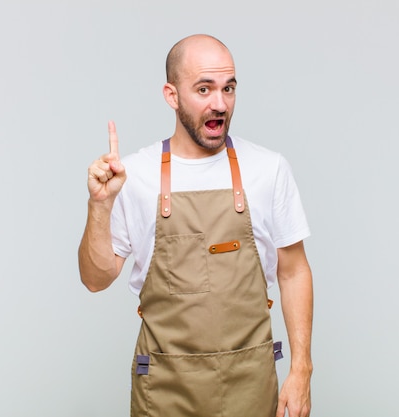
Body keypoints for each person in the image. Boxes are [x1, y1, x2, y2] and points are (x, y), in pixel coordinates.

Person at [78, 34, 313, 417]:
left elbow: (294, 271)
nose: (219, 103)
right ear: (172, 95)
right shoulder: (135, 175)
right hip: (165, 389)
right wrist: (99, 207)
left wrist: (302, 369)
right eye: (203, 89)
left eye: (228, 88)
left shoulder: (268, 169)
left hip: (250, 386)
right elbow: (95, 278)